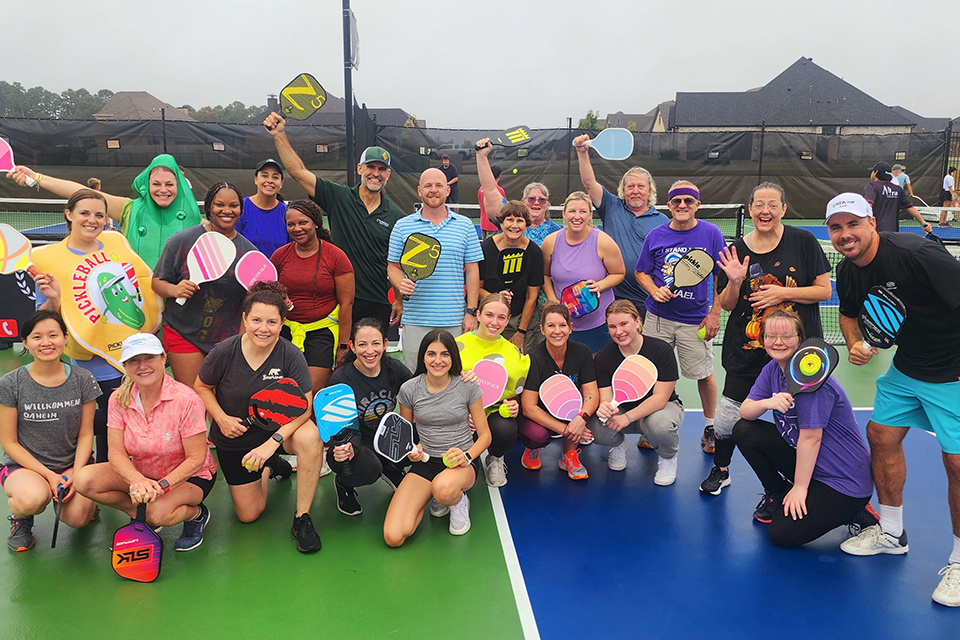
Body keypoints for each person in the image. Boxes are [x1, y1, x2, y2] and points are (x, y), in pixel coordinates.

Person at [826, 192, 960, 607]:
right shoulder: (848, 270)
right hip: (907, 369)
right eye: (836, 227)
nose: (845, 235)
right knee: (881, 436)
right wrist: (853, 344)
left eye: (853, 224)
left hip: (952, 369)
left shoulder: (919, 253)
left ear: (871, 222)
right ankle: (892, 533)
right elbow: (848, 312)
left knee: (956, 461)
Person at [701, 183, 832, 500]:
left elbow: (824, 291)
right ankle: (721, 468)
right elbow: (729, 303)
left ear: (784, 209)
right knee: (729, 418)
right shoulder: (738, 250)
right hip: (746, 349)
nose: (765, 211)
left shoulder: (802, 241)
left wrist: (783, 292)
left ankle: (803, 481)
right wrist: (733, 282)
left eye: (773, 204)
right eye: (759, 204)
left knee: (801, 420)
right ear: (749, 209)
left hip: (798, 353)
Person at [29, 189, 161, 462]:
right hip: (93, 361)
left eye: (99, 215)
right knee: (105, 427)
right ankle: (96, 483)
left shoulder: (116, 242)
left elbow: (140, 287)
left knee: (135, 422)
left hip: (132, 353)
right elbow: (43, 320)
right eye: (85, 213)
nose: (92, 220)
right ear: (69, 214)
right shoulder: (47, 259)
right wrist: (53, 300)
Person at [195, 281, 324, 553]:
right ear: (244, 319)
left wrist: (273, 442)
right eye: (256, 320)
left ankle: (302, 517)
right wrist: (220, 418)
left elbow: (304, 406)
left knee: (311, 437)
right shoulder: (224, 352)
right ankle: (270, 467)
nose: (263, 329)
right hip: (236, 438)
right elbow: (202, 387)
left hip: (277, 433)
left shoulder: (290, 354)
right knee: (248, 515)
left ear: (281, 323)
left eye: (271, 322)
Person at [735, 309, 876, 548]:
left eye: (786, 336)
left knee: (782, 534)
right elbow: (745, 411)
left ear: (800, 340)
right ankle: (778, 494)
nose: (778, 342)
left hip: (842, 480)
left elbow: (811, 439)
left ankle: (856, 512)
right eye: (770, 336)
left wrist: (800, 488)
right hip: (811, 466)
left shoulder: (813, 382)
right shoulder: (772, 370)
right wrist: (767, 402)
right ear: (763, 340)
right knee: (744, 430)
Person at [73, 333, 218, 551]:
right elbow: (116, 453)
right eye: (134, 360)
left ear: (163, 358)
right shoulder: (118, 399)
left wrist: (161, 487)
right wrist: (137, 481)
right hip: (143, 473)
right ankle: (143, 515)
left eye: (149, 357)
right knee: (84, 480)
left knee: (158, 513)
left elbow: (196, 459)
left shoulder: (186, 400)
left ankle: (196, 514)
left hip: (189, 477)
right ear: (125, 366)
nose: (142, 366)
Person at [265, 112, 403, 331]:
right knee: (336, 361)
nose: (376, 174)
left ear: (388, 174)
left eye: (382, 169)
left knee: (372, 360)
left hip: (376, 301)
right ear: (360, 169)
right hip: (335, 301)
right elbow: (299, 173)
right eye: (371, 167)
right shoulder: (338, 197)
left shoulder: (396, 216)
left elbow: (395, 262)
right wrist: (279, 135)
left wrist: (398, 298)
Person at [635, 181, 726, 456]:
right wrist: (654, 290)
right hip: (658, 318)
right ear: (669, 205)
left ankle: (710, 427)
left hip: (695, 320)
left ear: (697, 204)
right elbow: (642, 272)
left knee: (703, 374)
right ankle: (652, 427)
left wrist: (714, 313)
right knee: (651, 374)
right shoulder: (656, 235)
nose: (682, 206)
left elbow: (721, 277)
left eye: (688, 201)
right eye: (676, 201)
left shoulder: (711, 233)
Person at [1, 311, 100, 551]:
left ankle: (86, 502)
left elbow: (87, 434)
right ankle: (21, 518)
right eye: (37, 337)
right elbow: (9, 442)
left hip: (71, 464)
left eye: (53, 335)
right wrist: (49, 476)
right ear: (25, 342)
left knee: (78, 518)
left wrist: (76, 474)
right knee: (31, 499)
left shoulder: (83, 379)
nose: (46, 342)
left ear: (65, 338)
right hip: (26, 468)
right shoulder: (10, 383)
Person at [383, 330, 490, 546]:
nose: (438, 360)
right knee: (393, 537)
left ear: (453, 358)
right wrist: (413, 450)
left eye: (445, 354)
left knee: (443, 489)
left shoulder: (467, 386)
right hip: (426, 463)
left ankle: (457, 501)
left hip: (461, 464)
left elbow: (485, 436)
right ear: (423, 356)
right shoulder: (409, 389)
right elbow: (408, 433)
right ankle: (433, 495)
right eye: (431, 354)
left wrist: (466, 456)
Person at [6, 154, 201, 269]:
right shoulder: (129, 210)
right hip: (135, 301)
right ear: (146, 185)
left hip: (180, 307)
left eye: (169, 184)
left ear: (180, 186)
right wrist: (38, 178)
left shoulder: (197, 221)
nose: (163, 190)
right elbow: (82, 192)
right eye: (156, 184)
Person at [152, 182, 256, 388]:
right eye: (219, 204)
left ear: (241, 210)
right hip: (183, 332)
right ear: (209, 207)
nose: (227, 211)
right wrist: (174, 290)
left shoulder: (248, 253)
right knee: (194, 400)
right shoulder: (182, 241)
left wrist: (240, 340)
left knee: (222, 400)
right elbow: (157, 281)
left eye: (234, 206)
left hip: (227, 338)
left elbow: (248, 300)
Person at [387, 168, 483, 373]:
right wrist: (399, 282)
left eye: (439, 185)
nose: (433, 190)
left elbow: (473, 271)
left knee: (454, 377)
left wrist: (471, 312)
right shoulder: (402, 226)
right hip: (415, 320)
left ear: (448, 190)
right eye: (428, 186)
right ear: (419, 191)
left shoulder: (465, 226)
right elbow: (393, 266)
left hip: (455, 320)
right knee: (415, 378)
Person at [326, 318, 414, 515]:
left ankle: (391, 467)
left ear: (384, 343)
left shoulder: (395, 369)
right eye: (362, 344)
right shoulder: (341, 379)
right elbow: (342, 429)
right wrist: (348, 448)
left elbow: (422, 391)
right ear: (352, 347)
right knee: (369, 468)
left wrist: (460, 376)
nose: (370, 351)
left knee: (425, 432)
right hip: (354, 440)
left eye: (376, 343)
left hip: (386, 435)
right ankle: (343, 483)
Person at [593, 301, 684, 485]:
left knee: (659, 425)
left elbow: (660, 398)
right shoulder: (603, 357)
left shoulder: (661, 350)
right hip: (622, 411)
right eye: (612, 326)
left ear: (638, 322)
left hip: (659, 409)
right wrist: (605, 408)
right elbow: (606, 398)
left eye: (624, 324)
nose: (619, 332)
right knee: (596, 426)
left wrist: (627, 418)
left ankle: (668, 458)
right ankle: (617, 444)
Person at [574, 135, 668, 314]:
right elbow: (589, 184)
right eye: (630, 186)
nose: (635, 191)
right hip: (613, 297)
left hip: (649, 300)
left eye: (640, 186)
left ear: (649, 191)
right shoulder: (611, 206)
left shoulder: (663, 222)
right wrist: (582, 153)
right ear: (623, 190)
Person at [272, 199, 354, 394]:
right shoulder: (279, 256)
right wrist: (279, 300)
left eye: (303, 222)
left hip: (322, 332)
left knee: (310, 391)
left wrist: (343, 345)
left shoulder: (336, 256)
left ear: (316, 223)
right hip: (285, 332)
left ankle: (311, 426)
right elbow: (266, 294)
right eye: (291, 224)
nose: (297, 228)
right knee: (282, 392)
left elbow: (347, 303)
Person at [476, 139, 544, 354]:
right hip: (490, 317)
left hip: (521, 320)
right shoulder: (486, 247)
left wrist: (521, 332)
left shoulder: (534, 252)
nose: (514, 225)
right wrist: (496, 301)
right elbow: (477, 287)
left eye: (520, 221)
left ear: (527, 224)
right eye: (509, 220)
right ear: (501, 222)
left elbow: (532, 296)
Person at [456, 293, 530, 487]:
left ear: (507, 320)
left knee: (506, 429)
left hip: (494, 411)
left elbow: (516, 392)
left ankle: (495, 458)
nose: (494, 322)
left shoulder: (513, 351)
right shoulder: (456, 346)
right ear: (478, 315)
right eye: (489, 315)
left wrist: (514, 404)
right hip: (460, 411)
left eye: (501, 317)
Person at [518, 304, 599, 480]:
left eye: (562, 325)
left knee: (583, 408)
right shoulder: (534, 357)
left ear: (570, 328)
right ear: (542, 329)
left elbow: (591, 392)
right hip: (540, 414)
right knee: (535, 435)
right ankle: (533, 448)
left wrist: (581, 418)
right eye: (551, 325)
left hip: (569, 410)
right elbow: (529, 408)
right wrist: (567, 430)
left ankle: (568, 454)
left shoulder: (581, 351)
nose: (557, 331)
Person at [542, 191, 625, 352]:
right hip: (564, 323)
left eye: (583, 211)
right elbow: (544, 275)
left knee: (597, 369)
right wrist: (554, 302)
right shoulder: (550, 242)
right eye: (572, 211)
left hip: (599, 322)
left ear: (590, 215)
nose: (577, 216)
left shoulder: (604, 241)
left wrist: (599, 286)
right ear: (564, 214)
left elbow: (619, 273)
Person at [236, 159, 288, 258]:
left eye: (275, 177)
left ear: (281, 183)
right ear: (256, 179)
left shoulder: (287, 213)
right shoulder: (241, 208)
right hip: (246, 272)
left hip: (278, 272)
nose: (270, 180)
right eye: (264, 176)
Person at [862, 161, 931, 234]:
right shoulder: (898, 189)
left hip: (875, 233)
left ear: (875, 172)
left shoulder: (872, 187)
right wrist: (923, 223)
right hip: (893, 234)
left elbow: (868, 206)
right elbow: (910, 207)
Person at [478, 162, 506, 237]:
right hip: (494, 226)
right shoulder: (499, 191)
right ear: (499, 176)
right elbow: (504, 209)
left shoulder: (481, 189)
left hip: (483, 224)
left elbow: (481, 205)